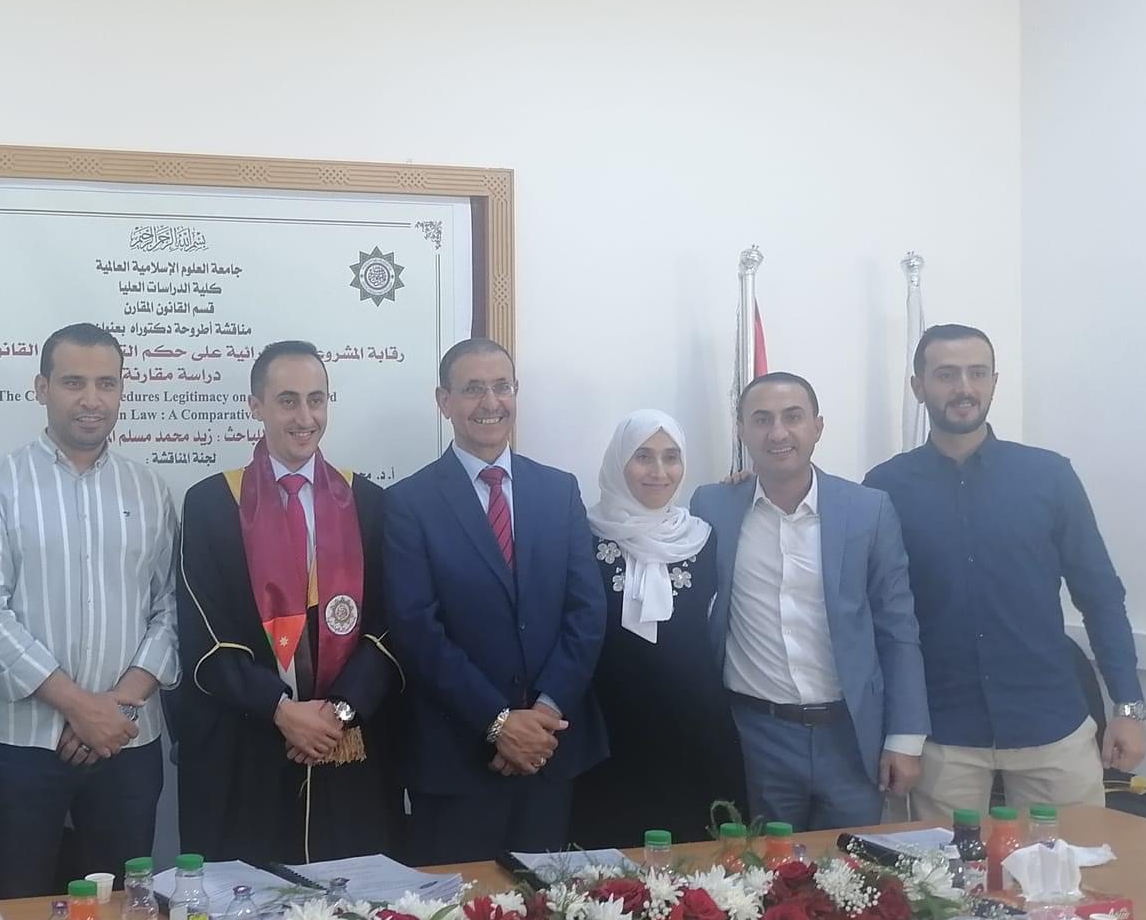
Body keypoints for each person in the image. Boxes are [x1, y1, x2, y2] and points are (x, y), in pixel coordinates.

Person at [866, 324, 1146, 824]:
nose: (964, 388)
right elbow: (874, 616)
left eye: (977, 373)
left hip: (1051, 727)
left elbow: (1101, 595)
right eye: (946, 375)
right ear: (918, 387)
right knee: (944, 872)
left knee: (1070, 867)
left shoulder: (1049, 477)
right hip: (942, 736)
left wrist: (1127, 707)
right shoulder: (885, 486)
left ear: (994, 382)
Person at [0, 323, 179, 899]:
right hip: (21, 746)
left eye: (107, 383)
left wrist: (114, 708)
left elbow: (171, 608)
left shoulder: (150, 489)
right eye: (74, 382)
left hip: (126, 741)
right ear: (42, 388)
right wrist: (80, 707)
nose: (92, 399)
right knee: (14, 911)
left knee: (124, 913)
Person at [173, 341, 404, 865]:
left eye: (316, 400)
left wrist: (337, 712)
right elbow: (205, 632)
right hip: (249, 747)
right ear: (256, 406)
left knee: (352, 902)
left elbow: (389, 624)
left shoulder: (368, 503)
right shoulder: (212, 505)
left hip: (346, 747)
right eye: (287, 401)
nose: (305, 417)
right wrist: (281, 710)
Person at [383, 338, 607, 863]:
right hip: (456, 756)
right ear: (444, 401)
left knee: (548, 907)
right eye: (472, 389)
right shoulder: (408, 502)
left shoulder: (559, 490)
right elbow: (417, 629)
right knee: (456, 909)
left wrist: (543, 715)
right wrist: (500, 722)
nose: (490, 402)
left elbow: (587, 613)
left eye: (502, 386)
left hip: (550, 750)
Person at [690, 372, 927, 831]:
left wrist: (906, 737)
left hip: (852, 737)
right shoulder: (712, 505)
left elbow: (898, 627)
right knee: (758, 869)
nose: (778, 432)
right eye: (762, 419)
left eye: (792, 417)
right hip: (755, 737)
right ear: (742, 432)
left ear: (817, 426)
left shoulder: (868, 510)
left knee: (850, 868)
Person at [571, 410, 745, 847]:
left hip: (695, 733)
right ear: (618, 461)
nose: (659, 471)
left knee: (699, 868)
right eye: (643, 456)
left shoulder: (705, 538)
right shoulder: (582, 535)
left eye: (671, 457)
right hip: (606, 735)